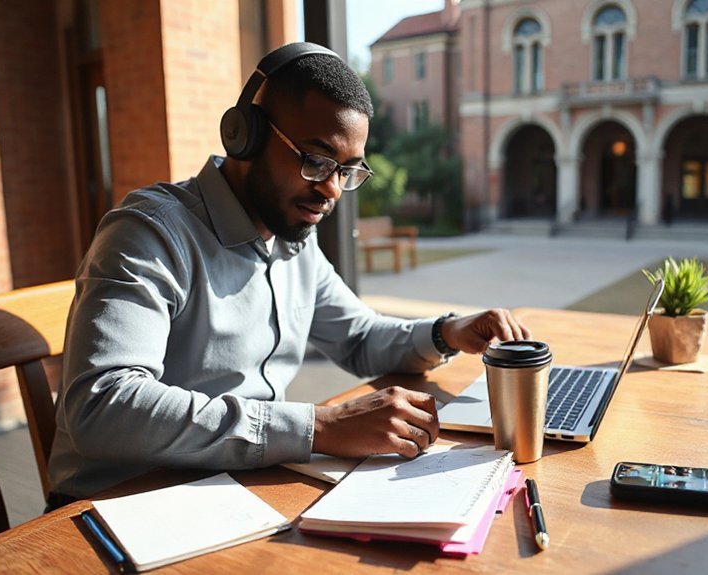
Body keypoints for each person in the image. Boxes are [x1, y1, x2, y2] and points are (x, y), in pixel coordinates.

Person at [46, 43, 530, 505]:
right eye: (316, 161)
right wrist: (319, 427)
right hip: (115, 507)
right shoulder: (149, 233)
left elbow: (359, 337)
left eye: (347, 171)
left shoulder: (292, 237)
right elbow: (102, 406)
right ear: (246, 135)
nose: (332, 190)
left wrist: (447, 332)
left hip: (231, 490)